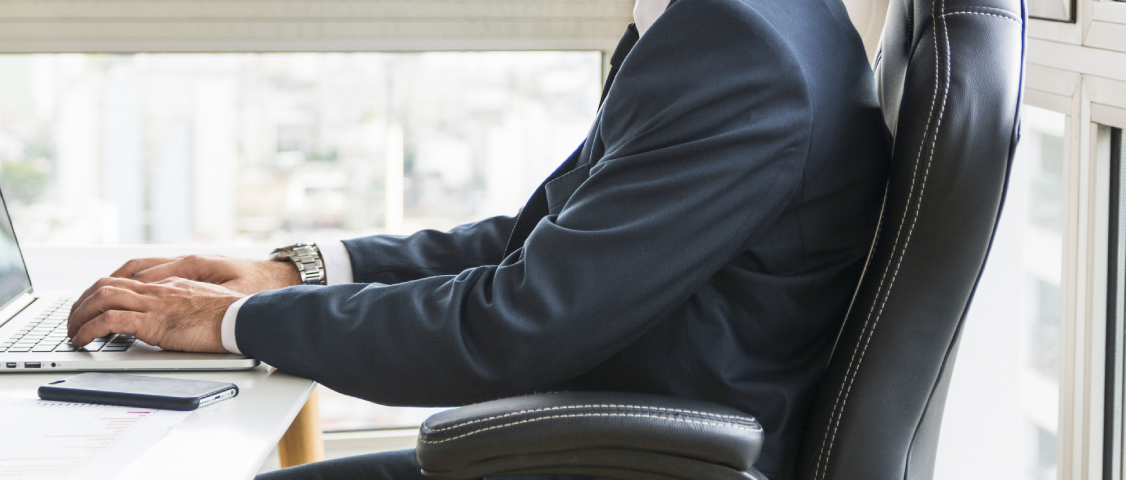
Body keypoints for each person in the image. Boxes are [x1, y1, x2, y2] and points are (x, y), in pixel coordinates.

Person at [65, 0, 890, 477]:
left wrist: (221, 323)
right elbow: (543, 241)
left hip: (640, 460)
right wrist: (293, 274)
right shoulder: (735, 18)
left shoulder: (739, 53)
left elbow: (513, 326)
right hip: (622, 433)